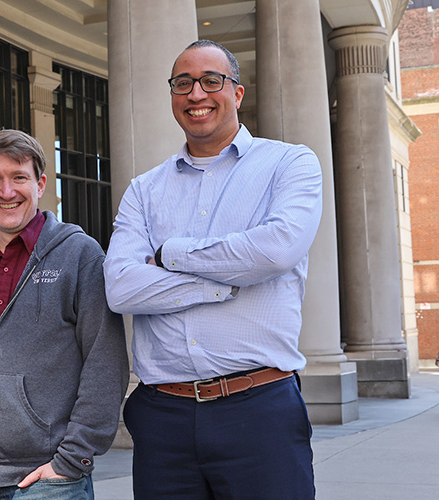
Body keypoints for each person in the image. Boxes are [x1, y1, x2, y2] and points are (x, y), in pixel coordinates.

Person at [104, 40, 320, 500]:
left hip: (259, 410)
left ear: (237, 93)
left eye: (211, 81)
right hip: (164, 418)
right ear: (173, 96)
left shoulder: (289, 163)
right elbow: (121, 287)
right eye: (183, 83)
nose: (196, 93)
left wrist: (169, 254)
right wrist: (226, 282)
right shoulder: (144, 190)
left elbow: (276, 251)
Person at [0, 129, 129, 500]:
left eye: (19, 177)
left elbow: (105, 362)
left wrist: (71, 460)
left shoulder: (80, 256)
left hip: (48, 482)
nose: (7, 191)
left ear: (40, 184)